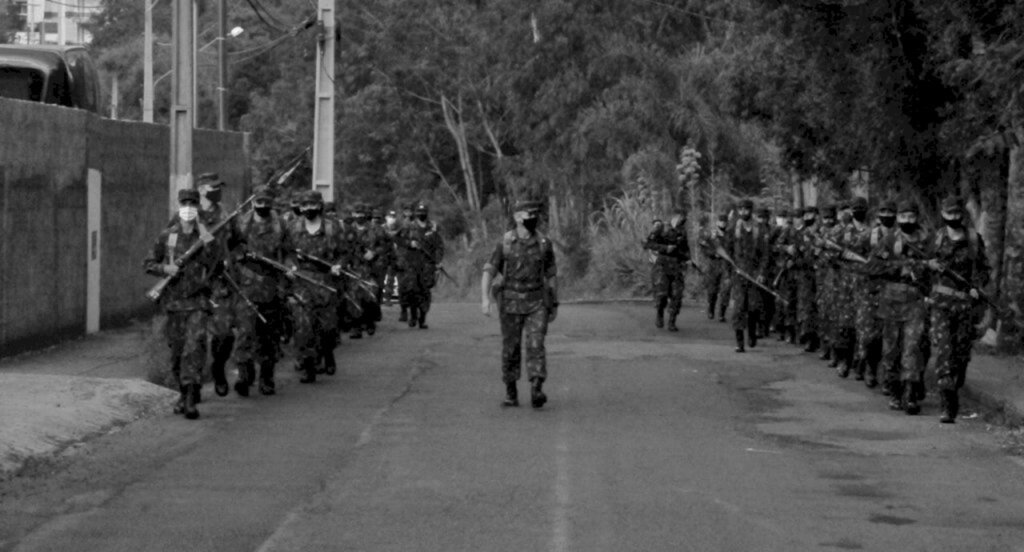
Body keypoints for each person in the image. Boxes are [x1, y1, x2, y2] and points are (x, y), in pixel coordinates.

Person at [144, 189, 224, 419]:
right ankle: (182, 392)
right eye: (185, 202)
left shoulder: (206, 235)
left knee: (195, 347)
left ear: (198, 206)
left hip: (198, 302)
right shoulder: (168, 236)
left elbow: (217, 263)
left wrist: (205, 235)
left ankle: (191, 396)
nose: (188, 207)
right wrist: (165, 269)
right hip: (174, 303)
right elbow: (148, 263)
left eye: (193, 203)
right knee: (178, 352)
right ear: (179, 206)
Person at [481, 199, 558, 408]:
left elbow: (551, 274)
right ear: (517, 217)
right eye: (528, 214)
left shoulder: (544, 244)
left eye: (535, 214)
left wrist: (554, 302)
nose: (532, 218)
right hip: (511, 303)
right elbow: (489, 271)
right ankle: (511, 390)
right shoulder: (505, 243)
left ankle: (536, 387)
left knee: (536, 344)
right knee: (511, 348)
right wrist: (485, 299)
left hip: (536, 302)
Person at [925, 196, 991, 423]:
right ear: (943, 214)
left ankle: (955, 382)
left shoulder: (973, 239)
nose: (953, 218)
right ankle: (947, 403)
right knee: (944, 352)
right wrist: (929, 265)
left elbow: (984, 269)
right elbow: (924, 267)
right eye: (949, 214)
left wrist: (977, 287)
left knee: (961, 355)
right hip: (941, 305)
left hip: (964, 306)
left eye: (956, 214)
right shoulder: (937, 238)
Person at [872, 201, 931, 414]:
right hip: (892, 301)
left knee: (913, 347)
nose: (907, 221)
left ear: (917, 218)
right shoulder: (889, 240)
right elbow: (874, 266)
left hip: (916, 301)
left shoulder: (928, 241)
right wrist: (899, 268)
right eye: (903, 216)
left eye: (911, 217)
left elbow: (937, 268)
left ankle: (911, 392)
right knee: (891, 349)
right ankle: (894, 390)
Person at [231, 185, 290, 396]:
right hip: (246, 287)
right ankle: (244, 376)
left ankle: (267, 377)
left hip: (271, 287)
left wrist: (290, 269)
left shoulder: (280, 224)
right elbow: (231, 249)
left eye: (266, 202)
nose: (263, 206)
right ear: (253, 201)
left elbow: (289, 252)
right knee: (245, 333)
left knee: (269, 336)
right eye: (259, 202)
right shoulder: (241, 224)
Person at [285, 190, 345, 383]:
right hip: (302, 282)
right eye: (305, 206)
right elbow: (285, 253)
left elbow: (344, 252)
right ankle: (308, 367)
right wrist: (290, 266)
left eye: (312, 205)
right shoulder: (292, 228)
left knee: (327, 327)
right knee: (303, 327)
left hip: (326, 282)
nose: (308, 209)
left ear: (320, 206)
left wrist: (339, 265)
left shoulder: (332, 228)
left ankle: (327, 353)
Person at [196, 172, 241, 399]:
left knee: (225, 335)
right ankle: (190, 389)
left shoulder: (226, 214)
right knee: (193, 340)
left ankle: (218, 368)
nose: (217, 190)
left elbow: (236, 242)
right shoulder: (189, 215)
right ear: (202, 189)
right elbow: (172, 246)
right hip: (194, 284)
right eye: (213, 187)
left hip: (220, 283)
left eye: (218, 187)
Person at [853, 200, 896, 387]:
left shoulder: (899, 237)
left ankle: (888, 376)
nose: (887, 215)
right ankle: (869, 367)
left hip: (895, 293)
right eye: (883, 211)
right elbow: (853, 260)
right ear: (878, 215)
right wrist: (870, 268)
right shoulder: (868, 236)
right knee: (870, 335)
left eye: (890, 212)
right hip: (870, 292)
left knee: (892, 335)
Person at [722, 199, 769, 353]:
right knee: (738, 309)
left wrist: (762, 272)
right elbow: (727, 253)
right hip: (738, 274)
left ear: (751, 210)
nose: (743, 212)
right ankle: (739, 342)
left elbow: (765, 255)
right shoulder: (732, 229)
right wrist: (728, 274)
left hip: (754, 275)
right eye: (740, 209)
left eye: (746, 209)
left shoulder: (759, 230)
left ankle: (752, 333)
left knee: (754, 308)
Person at [395, 203, 444, 329]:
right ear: (415, 214)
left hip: (428, 264)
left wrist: (438, 261)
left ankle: (422, 318)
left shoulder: (432, 228)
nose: (421, 215)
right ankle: (413, 315)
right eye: (419, 212)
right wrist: (409, 243)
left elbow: (439, 246)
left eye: (423, 212)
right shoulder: (408, 226)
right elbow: (397, 239)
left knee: (425, 291)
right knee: (412, 291)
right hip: (411, 263)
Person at [643, 211, 690, 331]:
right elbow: (648, 244)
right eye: (680, 218)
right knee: (662, 294)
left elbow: (685, 250)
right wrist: (665, 248)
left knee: (677, 295)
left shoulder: (682, 232)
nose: (681, 221)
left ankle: (672, 322)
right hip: (662, 266)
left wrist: (687, 259)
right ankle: (659, 314)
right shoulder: (661, 228)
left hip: (676, 266)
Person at [794, 206, 821, 352]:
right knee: (807, 307)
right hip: (805, 275)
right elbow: (796, 254)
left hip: (822, 274)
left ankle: (822, 339)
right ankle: (809, 337)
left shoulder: (822, 233)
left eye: (811, 214)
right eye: (806, 214)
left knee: (821, 307)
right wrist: (800, 262)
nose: (808, 217)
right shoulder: (801, 234)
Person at [698, 213, 730, 322]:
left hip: (726, 264)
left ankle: (722, 313)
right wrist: (712, 253)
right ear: (717, 222)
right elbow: (703, 247)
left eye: (724, 221)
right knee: (712, 290)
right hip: (713, 264)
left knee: (726, 289)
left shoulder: (730, 235)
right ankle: (711, 308)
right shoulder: (711, 235)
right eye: (721, 221)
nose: (723, 223)